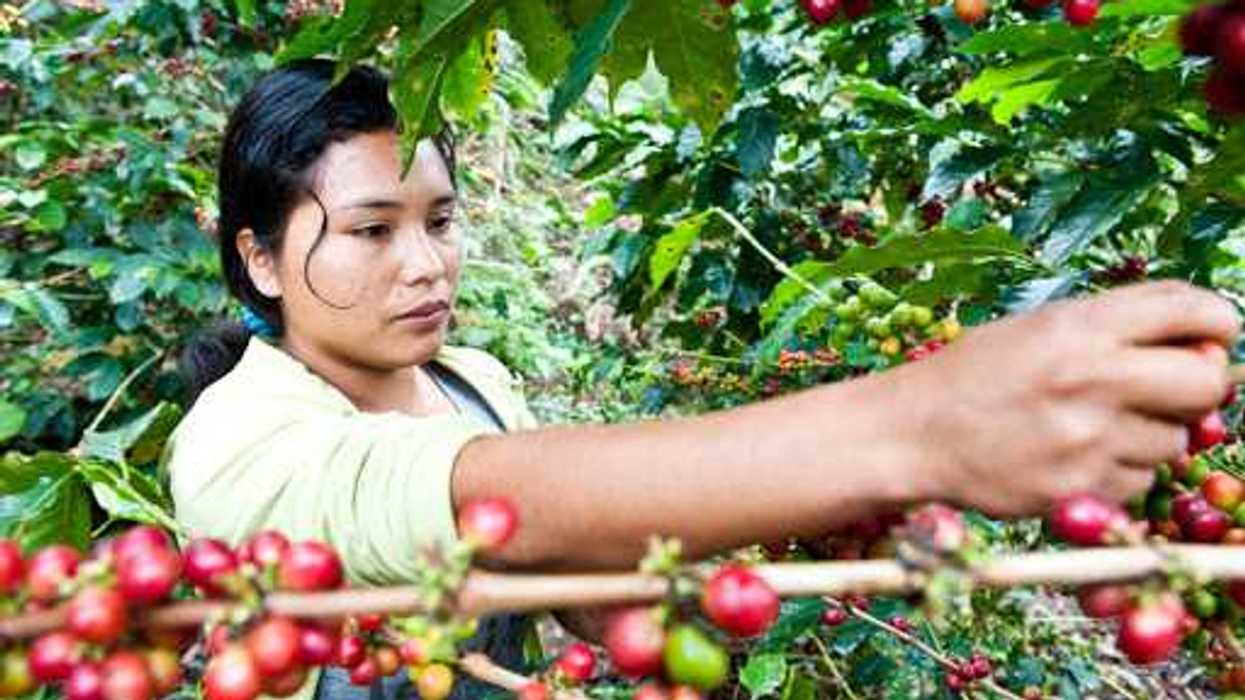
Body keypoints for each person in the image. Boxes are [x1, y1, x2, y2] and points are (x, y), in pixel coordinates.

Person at [164, 58, 1241, 699]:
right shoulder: (237, 433)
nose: (425, 263)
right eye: (369, 230)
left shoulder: (474, 376)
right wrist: (919, 424)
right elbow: (489, 499)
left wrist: (823, 519)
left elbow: (589, 585)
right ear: (260, 257)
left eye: (441, 220)